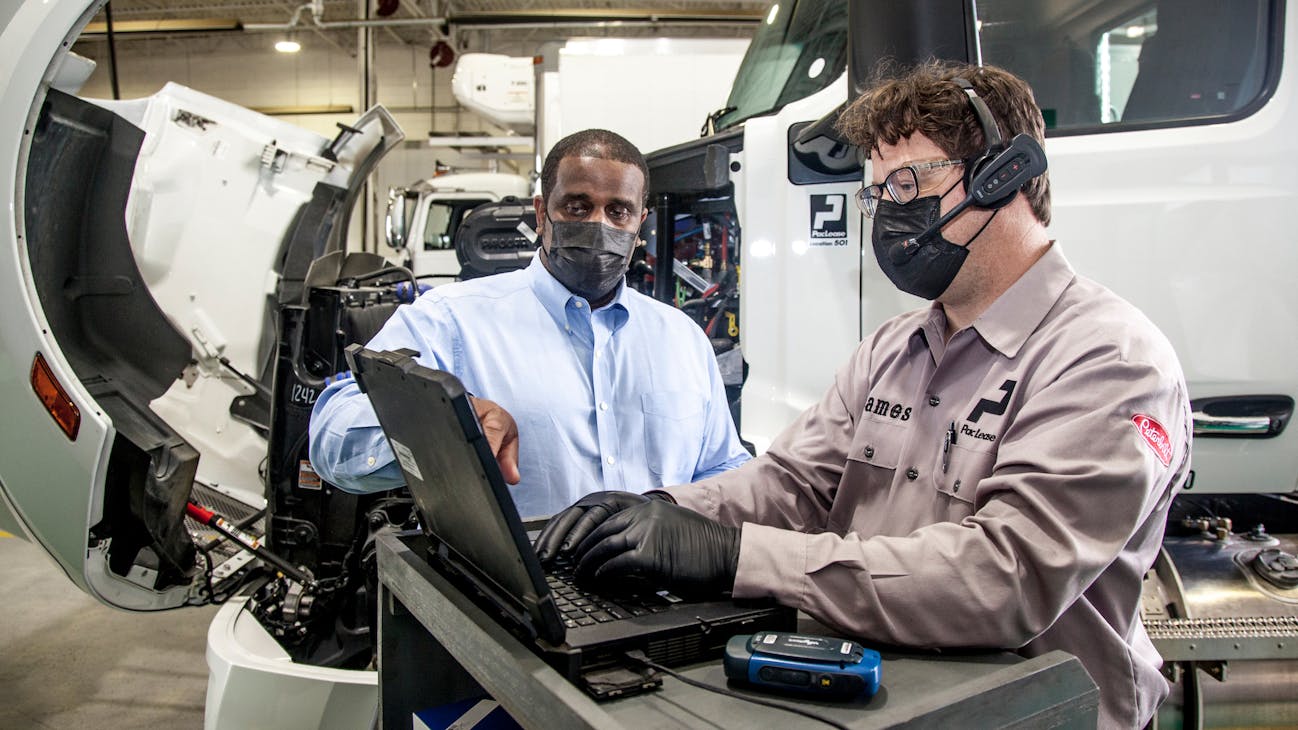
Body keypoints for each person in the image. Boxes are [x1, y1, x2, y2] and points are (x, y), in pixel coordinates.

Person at [534, 63, 1191, 728]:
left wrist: (731, 555)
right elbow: (791, 485)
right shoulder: (892, 350)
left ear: (1005, 175)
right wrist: (656, 514)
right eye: (877, 195)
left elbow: (1003, 579)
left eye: (908, 182)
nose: (889, 215)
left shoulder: (1108, 360)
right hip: (892, 703)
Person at [309, 129, 750, 518]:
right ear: (542, 214)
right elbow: (332, 434)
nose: (599, 226)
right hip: (515, 597)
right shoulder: (453, 319)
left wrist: (682, 515)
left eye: (619, 212)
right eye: (577, 207)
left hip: (658, 595)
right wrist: (443, 424)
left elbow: (722, 466)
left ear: (640, 223)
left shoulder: (682, 339)